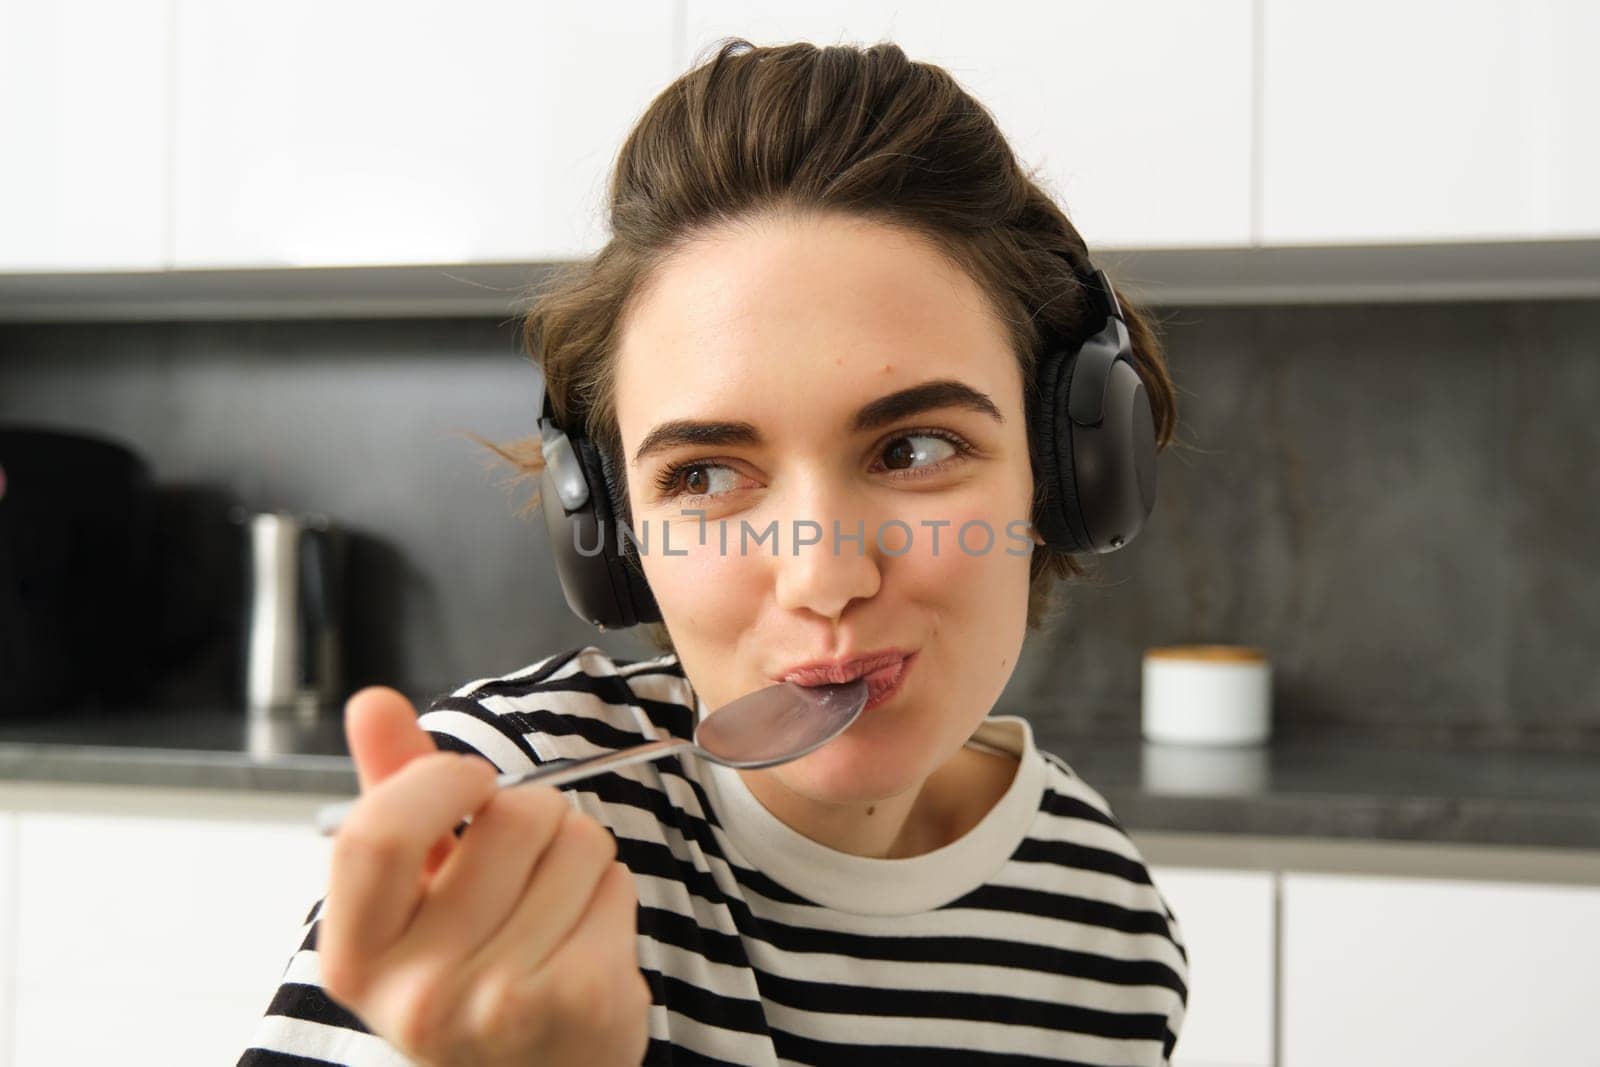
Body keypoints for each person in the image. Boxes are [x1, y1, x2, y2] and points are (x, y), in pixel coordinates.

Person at [241, 37, 1189, 1067]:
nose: (823, 575)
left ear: (1064, 474)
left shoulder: (1107, 922)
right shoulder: (506, 821)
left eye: (912, 450)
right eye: (702, 474)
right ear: (611, 531)